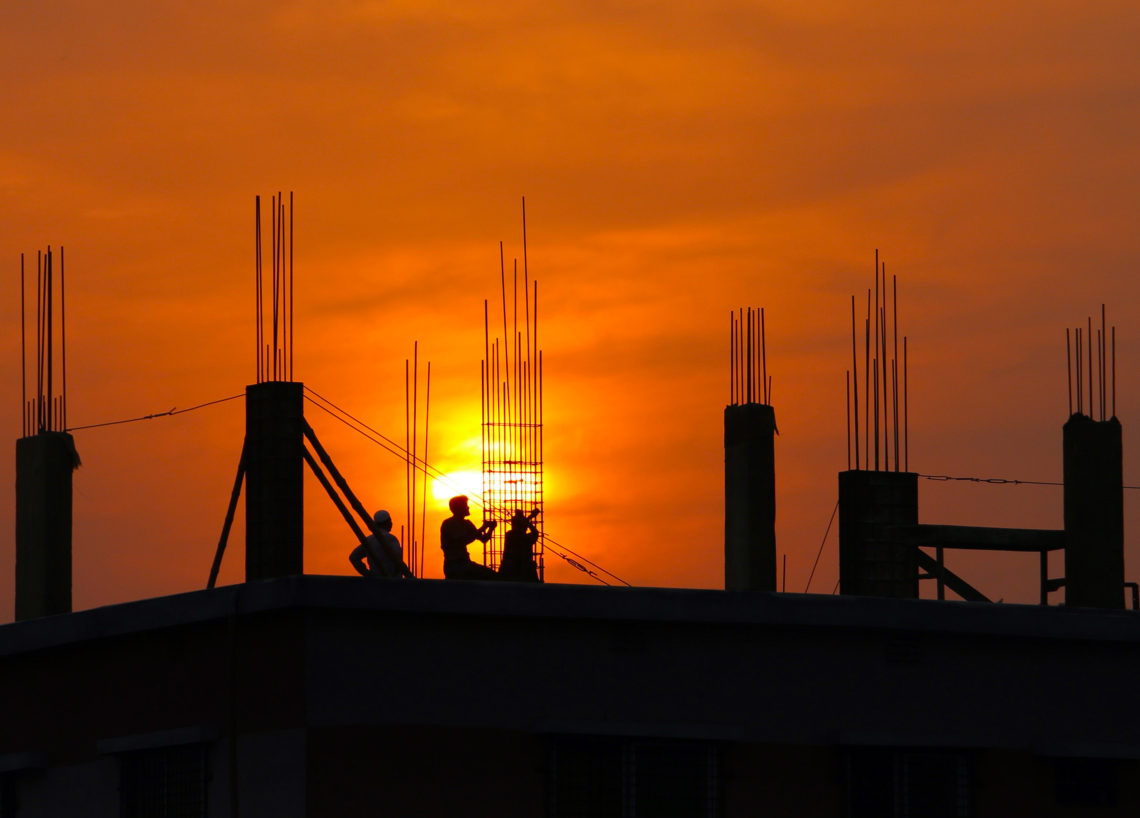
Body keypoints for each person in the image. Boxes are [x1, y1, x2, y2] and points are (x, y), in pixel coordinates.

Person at [440, 495, 498, 580]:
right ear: (458, 508)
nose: (468, 507)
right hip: (454, 565)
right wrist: (483, 527)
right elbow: (463, 540)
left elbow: (483, 539)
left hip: (465, 563)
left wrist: (491, 529)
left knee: (492, 575)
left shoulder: (467, 524)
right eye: (465, 505)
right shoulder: (449, 523)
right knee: (488, 576)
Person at [350, 509, 407, 577]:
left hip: (375, 581)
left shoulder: (369, 540)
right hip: (391, 580)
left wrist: (367, 573)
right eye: (390, 521)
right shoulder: (391, 539)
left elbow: (354, 557)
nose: (391, 523)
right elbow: (398, 560)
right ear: (387, 523)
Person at [499, 508, 540, 582]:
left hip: (511, 572)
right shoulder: (519, 537)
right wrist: (528, 521)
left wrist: (527, 520)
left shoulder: (510, 535)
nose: (526, 528)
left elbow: (534, 534)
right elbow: (535, 533)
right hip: (520, 573)